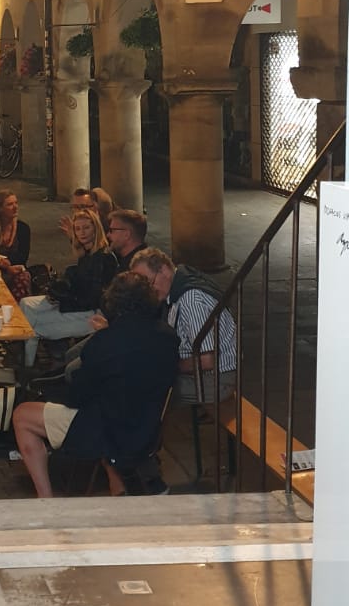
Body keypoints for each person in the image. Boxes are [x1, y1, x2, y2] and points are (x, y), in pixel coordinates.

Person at [12, 274, 179, 498]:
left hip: (107, 431)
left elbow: (77, 397)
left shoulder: (104, 342)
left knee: (22, 416)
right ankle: (119, 488)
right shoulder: (168, 337)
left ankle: (46, 499)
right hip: (147, 428)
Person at [129, 248, 238, 406]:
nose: (148, 291)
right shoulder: (178, 285)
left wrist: (167, 365)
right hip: (203, 376)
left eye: (150, 283)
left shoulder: (191, 300)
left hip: (215, 381)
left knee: (141, 390)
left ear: (164, 270)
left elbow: (207, 360)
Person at [19, 209, 117, 367]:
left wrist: (62, 299)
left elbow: (92, 297)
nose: (81, 232)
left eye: (86, 227)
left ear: (96, 228)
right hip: (78, 303)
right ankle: (27, 358)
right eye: (77, 229)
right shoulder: (87, 253)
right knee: (25, 304)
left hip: (92, 313)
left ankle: (27, 365)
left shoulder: (103, 258)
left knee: (34, 328)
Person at [0, 189, 31, 267]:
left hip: (16, 268)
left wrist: (8, 263)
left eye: (16, 203)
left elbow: (23, 256)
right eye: (10, 204)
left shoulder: (23, 228)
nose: (15, 207)